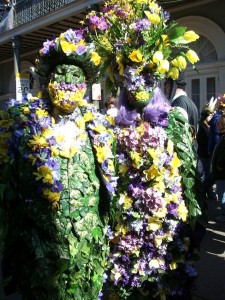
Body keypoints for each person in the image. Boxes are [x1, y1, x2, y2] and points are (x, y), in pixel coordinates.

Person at [87, 1, 206, 299]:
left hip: (162, 224)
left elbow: (185, 176)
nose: (138, 85)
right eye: (131, 76)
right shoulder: (110, 128)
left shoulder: (172, 121)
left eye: (147, 77)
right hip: (125, 227)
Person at [0, 29, 112, 299]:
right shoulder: (23, 124)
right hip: (40, 251)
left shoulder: (99, 129)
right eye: (61, 76)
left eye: (76, 78)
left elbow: (108, 187)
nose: (68, 85)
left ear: (85, 85)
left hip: (87, 247)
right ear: (48, 80)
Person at [197, 106, 217, 199]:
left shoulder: (206, 126)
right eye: (210, 116)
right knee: (207, 174)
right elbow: (203, 141)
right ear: (206, 117)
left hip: (205, 154)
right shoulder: (202, 127)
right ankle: (204, 191)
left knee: (207, 174)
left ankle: (207, 192)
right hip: (204, 154)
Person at [210, 114, 225, 222]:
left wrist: (220, 164)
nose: (217, 124)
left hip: (222, 172)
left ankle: (223, 214)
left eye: (219, 123)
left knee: (222, 194)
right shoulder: (222, 136)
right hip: (220, 172)